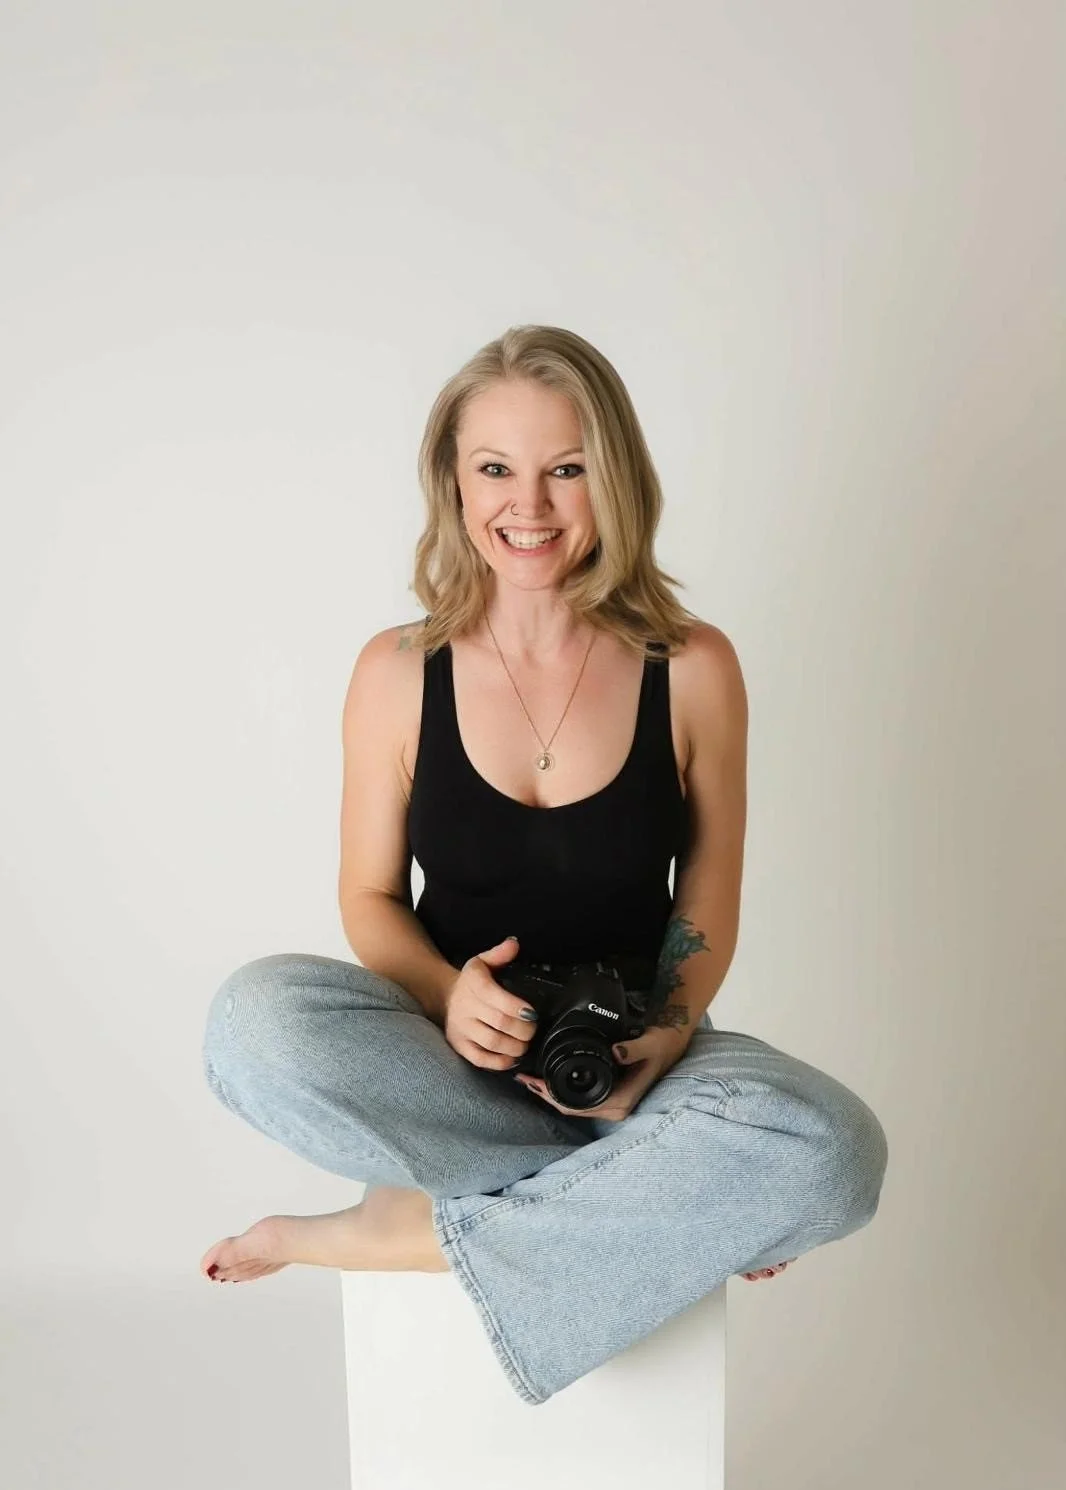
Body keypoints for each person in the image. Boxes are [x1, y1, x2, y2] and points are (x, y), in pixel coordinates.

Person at [199, 324, 888, 1405]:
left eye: (566, 469)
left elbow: (706, 900)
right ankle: (651, 1211)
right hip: (448, 1059)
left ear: (613, 478)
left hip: (633, 1069)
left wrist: (667, 1035)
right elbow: (368, 898)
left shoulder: (693, 666)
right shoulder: (396, 672)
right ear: (452, 480)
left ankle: (394, 1233)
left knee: (837, 1152)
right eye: (495, 470)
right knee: (253, 1021)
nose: (529, 505)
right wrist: (446, 994)